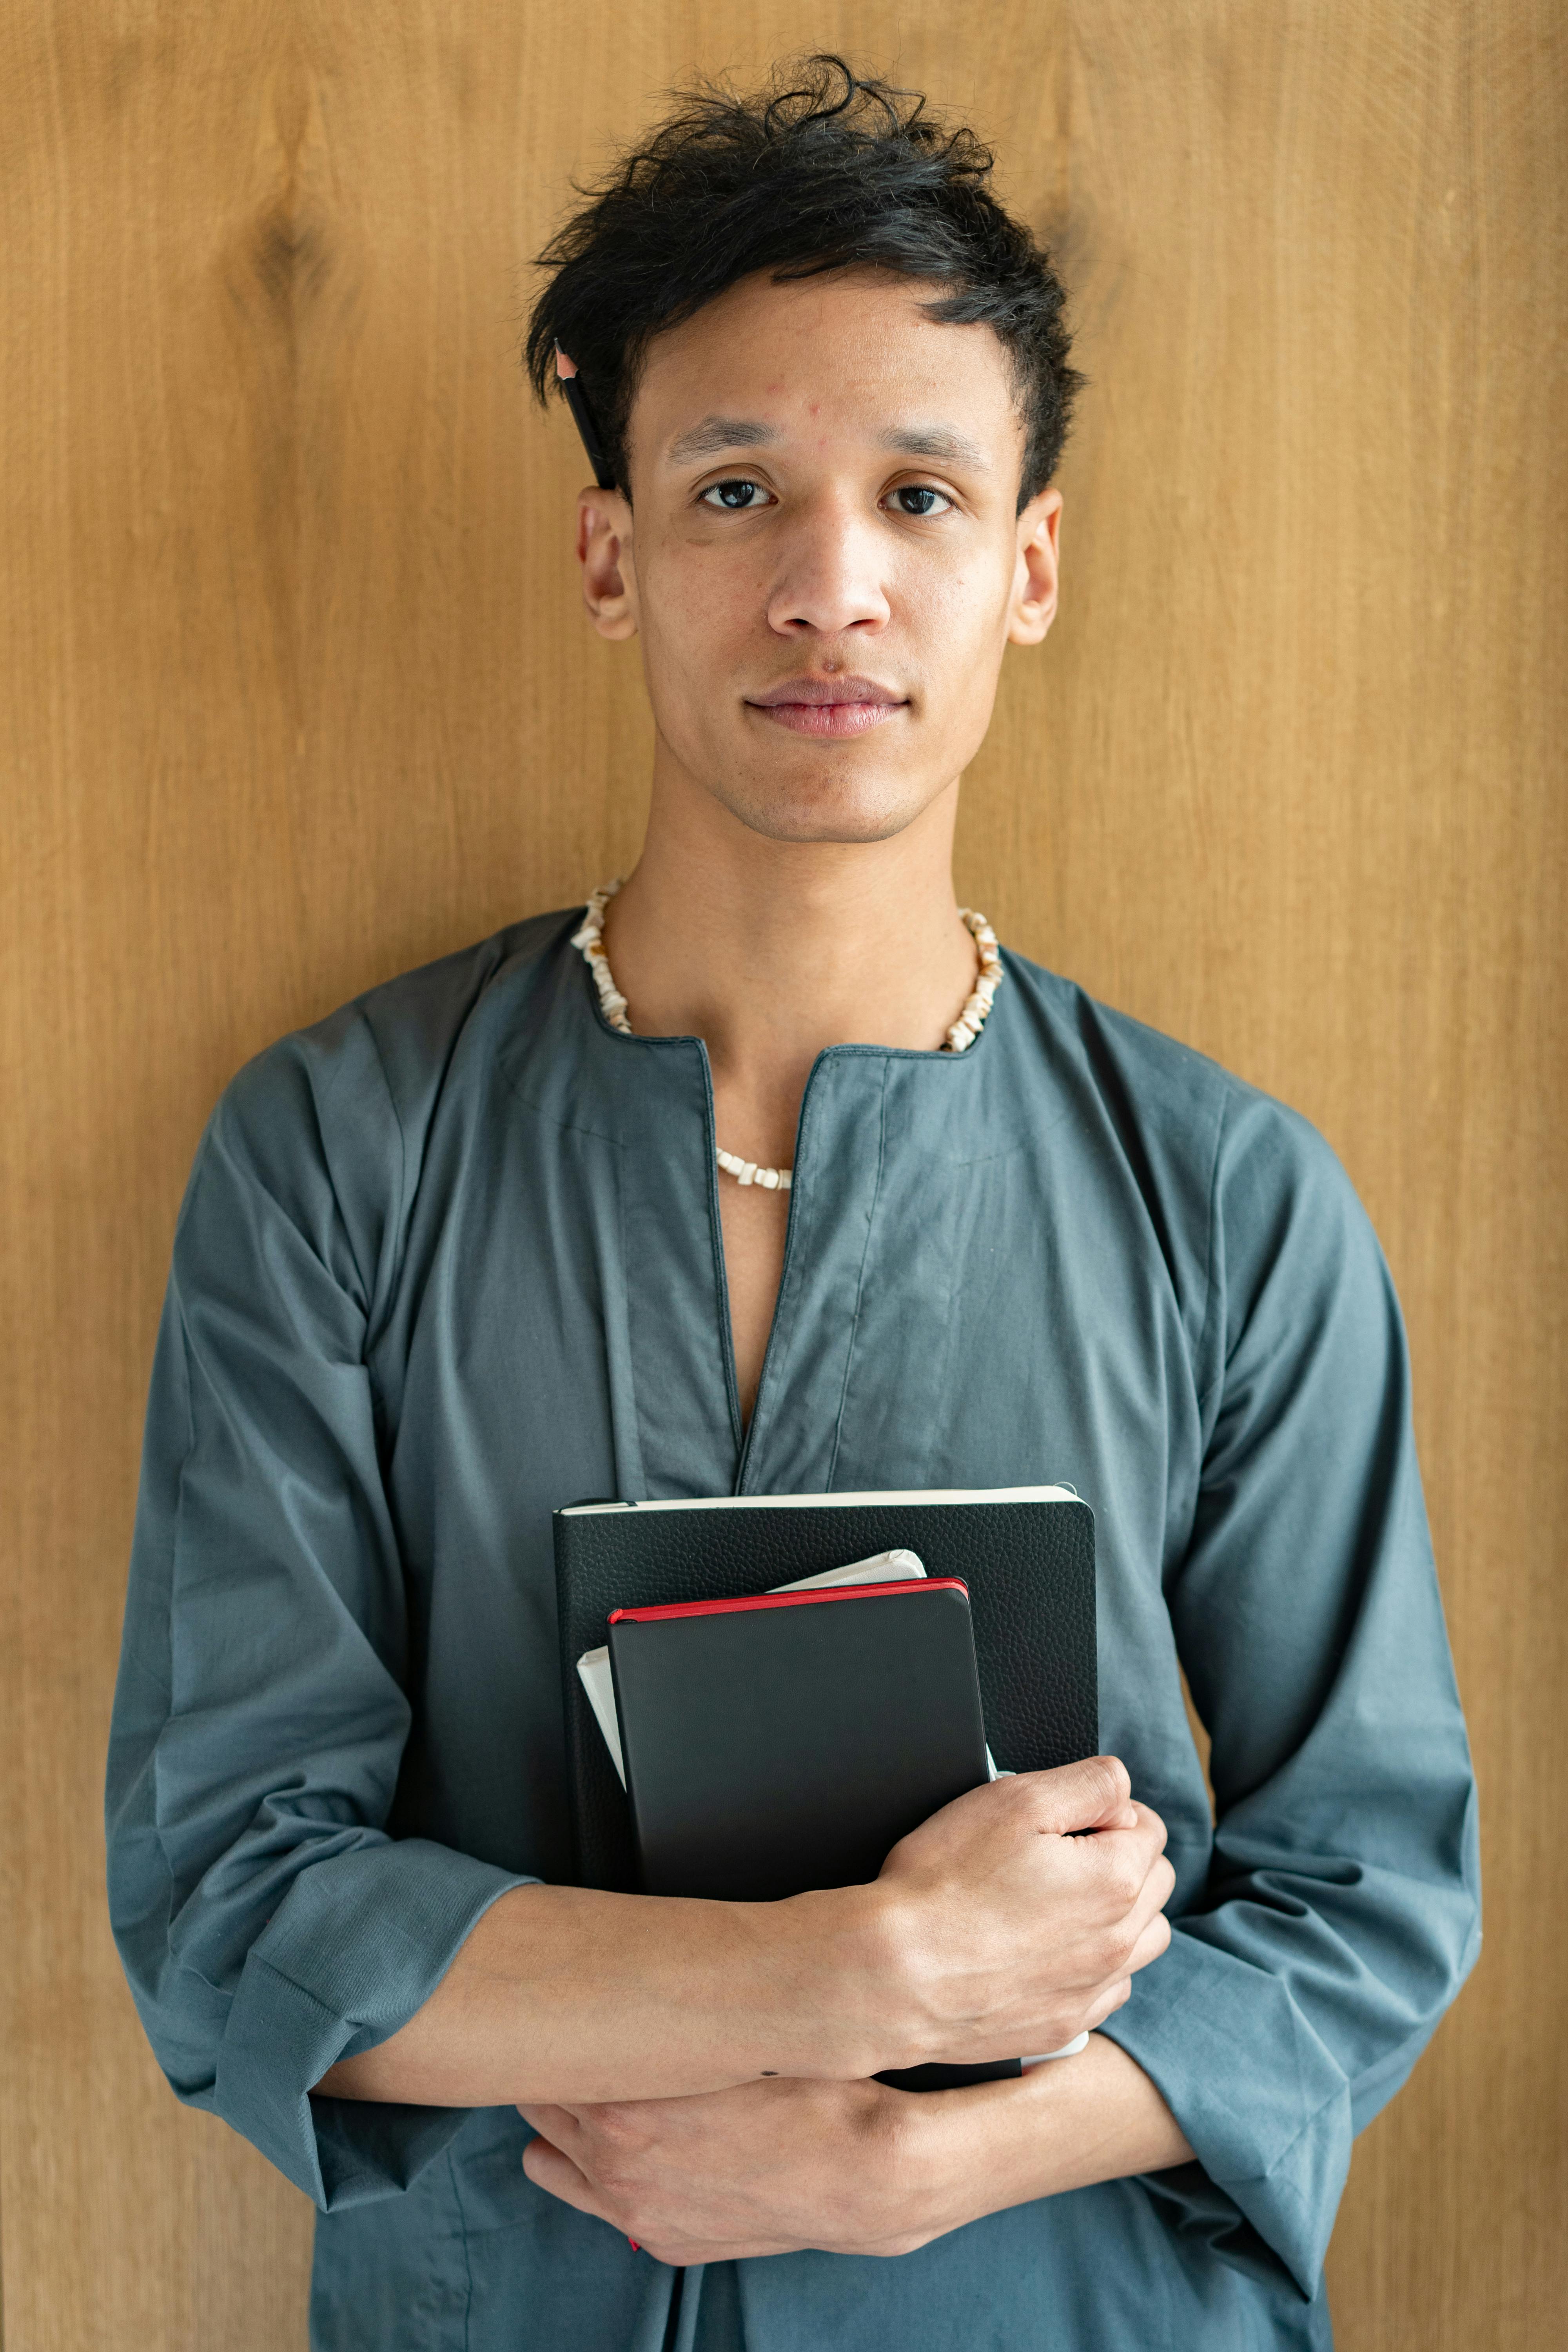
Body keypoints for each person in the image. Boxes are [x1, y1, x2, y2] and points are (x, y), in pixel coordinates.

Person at [105, 56, 1480, 2352]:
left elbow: (1370, 1896)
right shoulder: (339, 1150)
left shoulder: (1231, 1196)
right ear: (614, 549)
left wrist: (915, 2151)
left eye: (920, 493)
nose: (830, 586)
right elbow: (238, 1894)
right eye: (737, 486)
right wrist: (848, 1973)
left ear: (1027, 566)